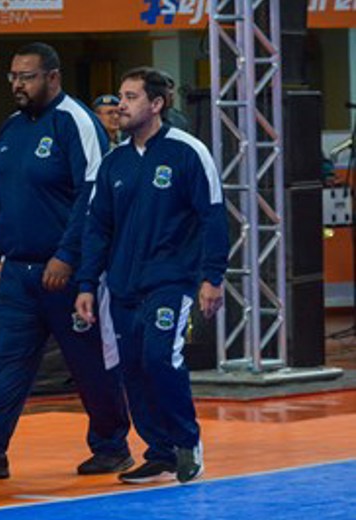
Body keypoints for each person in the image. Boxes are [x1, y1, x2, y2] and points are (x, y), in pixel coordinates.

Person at [0, 42, 132, 481]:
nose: (17, 84)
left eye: (27, 76)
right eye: (13, 76)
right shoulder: (12, 128)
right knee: (8, 362)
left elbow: (92, 198)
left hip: (68, 275)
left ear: (53, 77)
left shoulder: (77, 123)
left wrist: (68, 256)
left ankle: (112, 445)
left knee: (89, 363)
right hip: (17, 273)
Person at [75, 67, 228, 485]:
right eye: (120, 97)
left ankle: (186, 441)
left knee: (162, 357)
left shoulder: (187, 152)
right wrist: (87, 283)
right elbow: (97, 228)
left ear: (156, 104)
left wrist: (213, 277)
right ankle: (158, 450)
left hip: (171, 281)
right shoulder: (114, 163)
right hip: (123, 285)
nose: (120, 105)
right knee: (133, 368)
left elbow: (213, 216)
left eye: (131, 97)